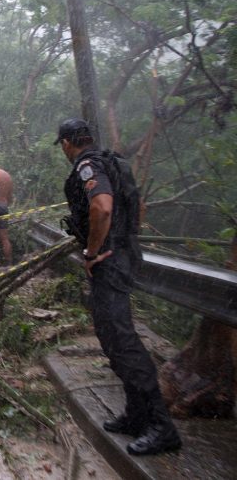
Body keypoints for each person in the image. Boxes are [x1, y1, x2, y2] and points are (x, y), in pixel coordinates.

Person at [56, 118, 181, 456]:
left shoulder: (88, 165)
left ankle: (162, 427)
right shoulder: (113, 162)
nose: (64, 152)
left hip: (109, 262)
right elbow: (137, 207)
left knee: (122, 340)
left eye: (63, 146)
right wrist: (122, 243)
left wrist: (94, 251)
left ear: (68, 143)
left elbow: (102, 207)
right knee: (112, 338)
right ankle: (136, 414)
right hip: (123, 256)